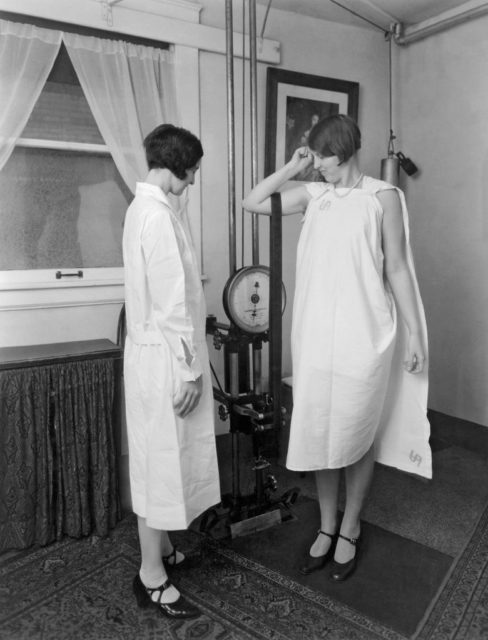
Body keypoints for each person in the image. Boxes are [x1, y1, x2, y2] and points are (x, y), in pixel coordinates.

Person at [242, 114, 431, 582]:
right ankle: (326, 525)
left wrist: (416, 333)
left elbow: (399, 269)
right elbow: (251, 202)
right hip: (315, 336)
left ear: (344, 151)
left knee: (355, 432)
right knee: (320, 431)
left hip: (364, 335)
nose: (318, 164)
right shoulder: (315, 194)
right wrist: (292, 166)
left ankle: (350, 525)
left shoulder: (382, 197)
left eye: (323, 155)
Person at [123, 124, 220, 617]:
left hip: (151, 355)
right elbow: (172, 302)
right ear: (178, 164)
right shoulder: (156, 215)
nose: (195, 179)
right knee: (159, 464)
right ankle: (151, 576)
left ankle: (158, 550)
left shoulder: (146, 208)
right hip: (165, 358)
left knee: (158, 457)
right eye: (195, 169)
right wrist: (189, 371)